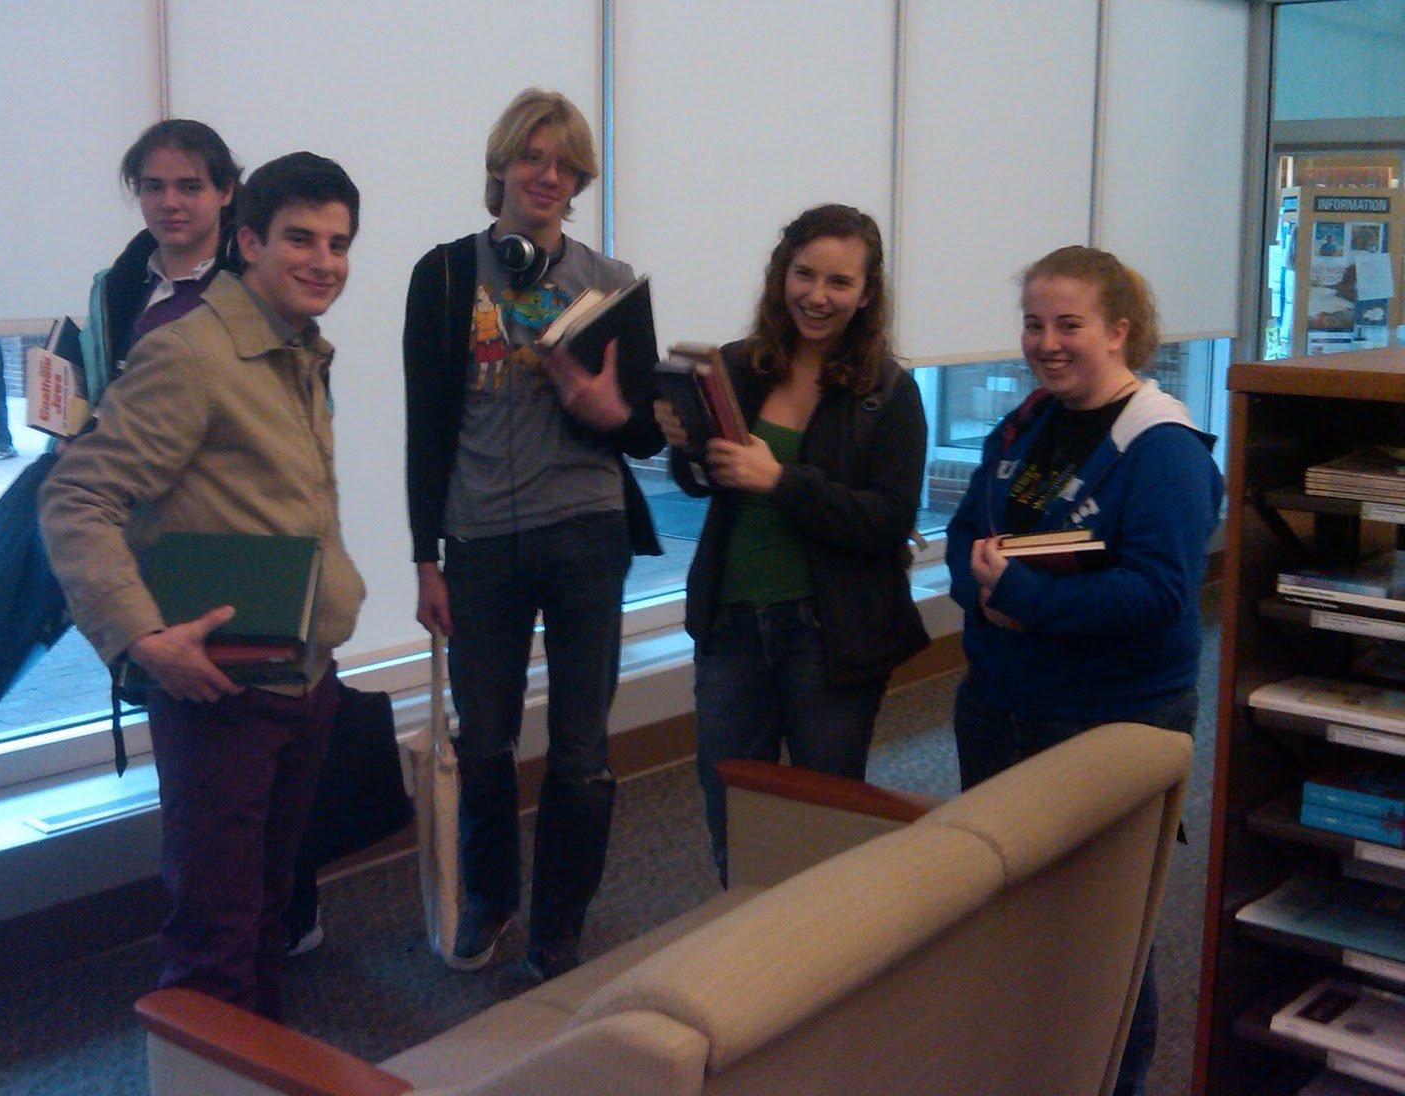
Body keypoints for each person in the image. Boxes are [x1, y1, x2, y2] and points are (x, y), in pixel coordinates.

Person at [39, 153, 368, 1020]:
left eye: (338, 243)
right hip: (219, 688)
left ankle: (254, 1065)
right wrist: (141, 640)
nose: (323, 260)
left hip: (299, 674)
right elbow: (77, 497)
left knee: (264, 909)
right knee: (214, 938)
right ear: (248, 239)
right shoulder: (190, 351)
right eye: (299, 238)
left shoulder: (295, 344)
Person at [944, 244, 1223, 1096]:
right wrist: (981, 591)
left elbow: (1159, 594)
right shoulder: (1026, 422)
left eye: (1069, 324)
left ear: (1119, 331)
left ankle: (1117, 1080)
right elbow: (966, 535)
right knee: (1012, 908)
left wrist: (1023, 598)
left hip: (1109, 723)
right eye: (1034, 323)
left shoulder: (1163, 447)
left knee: (1104, 931)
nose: (1047, 341)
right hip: (1000, 705)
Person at [403, 88, 663, 981]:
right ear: (502, 164)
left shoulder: (613, 283)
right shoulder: (442, 276)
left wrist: (608, 408)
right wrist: (424, 557)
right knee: (484, 742)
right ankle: (490, 898)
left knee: (584, 750)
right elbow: (425, 426)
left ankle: (558, 922)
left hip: (586, 533)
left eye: (565, 163)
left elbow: (648, 433)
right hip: (478, 544)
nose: (548, 175)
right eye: (532, 157)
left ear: (579, 177)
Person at [653, 204, 929, 884]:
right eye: (804, 275)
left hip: (829, 635)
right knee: (732, 810)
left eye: (839, 282)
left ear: (867, 293)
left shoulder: (889, 392)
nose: (817, 295)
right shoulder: (738, 367)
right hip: (731, 621)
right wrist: (682, 446)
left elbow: (888, 519)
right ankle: (743, 950)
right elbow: (703, 484)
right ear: (783, 276)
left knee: (823, 821)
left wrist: (780, 481)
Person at [82, 119, 241, 408]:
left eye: (189, 187)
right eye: (153, 187)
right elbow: (96, 397)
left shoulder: (256, 292)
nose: (169, 202)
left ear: (225, 192)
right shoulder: (114, 288)